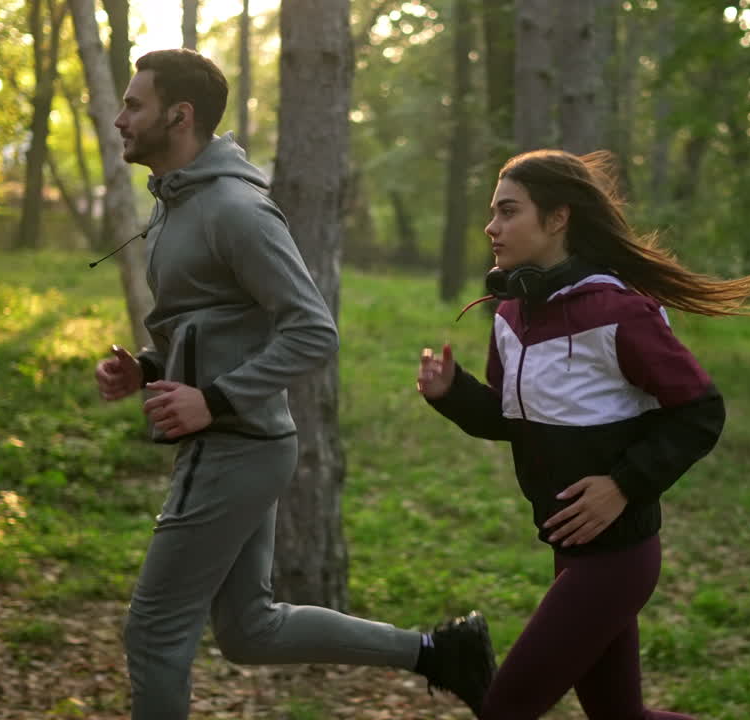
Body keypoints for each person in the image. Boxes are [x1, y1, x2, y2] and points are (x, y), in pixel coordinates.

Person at [92, 49, 495, 720]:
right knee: (249, 629)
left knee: (154, 631)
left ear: (179, 116)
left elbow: (313, 330)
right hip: (239, 441)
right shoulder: (175, 205)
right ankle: (439, 652)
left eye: (134, 105)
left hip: (234, 445)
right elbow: (220, 327)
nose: (119, 119)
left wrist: (211, 401)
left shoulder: (236, 210)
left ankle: (440, 652)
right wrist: (150, 368)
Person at [416, 149, 750, 720]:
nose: (491, 226)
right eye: (493, 212)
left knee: (505, 710)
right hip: (571, 551)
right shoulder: (511, 313)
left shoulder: (618, 312)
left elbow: (701, 411)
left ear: (558, 218)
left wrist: (623, 485)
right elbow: (511, 418)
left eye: (508, 211)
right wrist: (452, 392)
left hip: (618, 558)